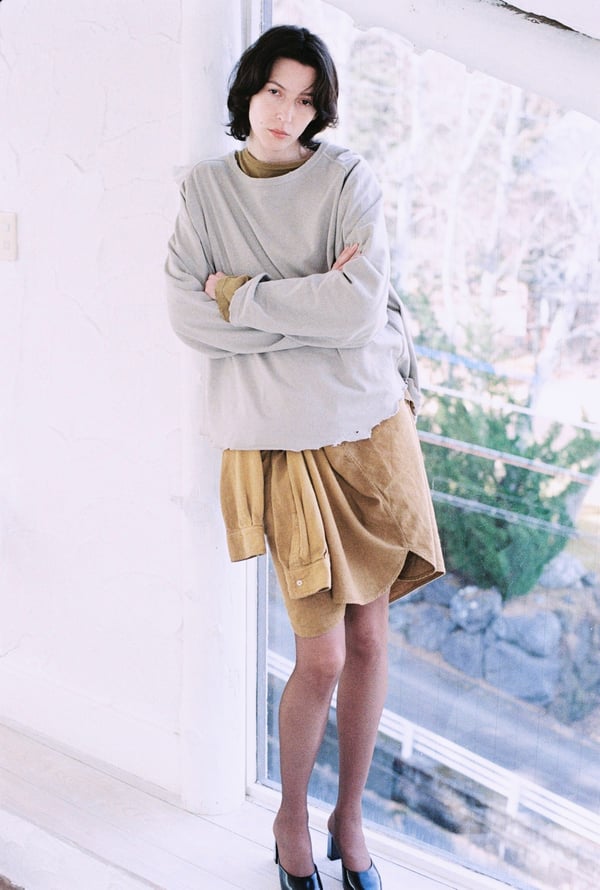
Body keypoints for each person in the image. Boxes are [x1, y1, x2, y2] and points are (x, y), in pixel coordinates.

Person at [165, 24, 444, 890]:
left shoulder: (347, 178)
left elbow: (357, 312)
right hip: (280, 442)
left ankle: (347, 817)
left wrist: (240, 296)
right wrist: (306, 306)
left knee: (370, 640)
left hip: (368, 425)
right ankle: (290, 813)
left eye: (305, 98)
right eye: (273, 92)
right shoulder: (206, 193)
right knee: (319, 657)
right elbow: (187, 318)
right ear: (247, 92)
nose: (286, 113)